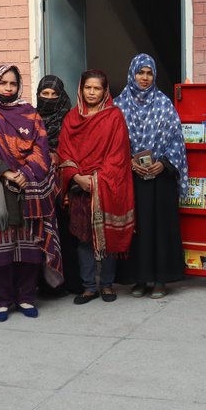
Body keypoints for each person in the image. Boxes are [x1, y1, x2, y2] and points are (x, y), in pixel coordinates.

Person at [0, 64, 63, 321]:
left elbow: (41, 147)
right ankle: (2, 300)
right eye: (2, 83)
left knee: (28, 248)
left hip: (29, 189)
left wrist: (26, 174)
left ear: (18, 85)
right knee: (0, 250)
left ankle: (27, 297)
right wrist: (6, 172)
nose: (8, 88)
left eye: (13, 83)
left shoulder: (30, 114)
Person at [57, 70, 135, 304]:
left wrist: (97, 179)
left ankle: (107, 285)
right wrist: (77, 177)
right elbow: (64, 151)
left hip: (106, 186)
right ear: (81, 89)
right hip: (79, 187)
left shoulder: (114, 117)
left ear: (105, 91)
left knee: (107, 237)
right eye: (87, 88)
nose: (91, 92)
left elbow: (118, 154)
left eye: (97, 88)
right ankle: (89, 286)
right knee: (84, 239)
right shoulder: (71, 118)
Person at [115, 53, 187, 299]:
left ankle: (160, 280)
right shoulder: (119, 105)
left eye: (149, 73)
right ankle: (139, 278)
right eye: (140, 72)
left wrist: (164, 163)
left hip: (160, 178)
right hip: (132, 178)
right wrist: (130, 161)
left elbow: (177, 140)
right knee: (138, 228)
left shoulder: (164, 104)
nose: (144, 78)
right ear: (132, 74)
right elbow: (113, 143)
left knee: (160, 228)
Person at [35, 74, 81, 296]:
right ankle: (44, 286)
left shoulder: (71, 120)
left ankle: (70, 282)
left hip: (65, 185)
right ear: (38, 94)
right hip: (39, 185)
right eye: (45, 94)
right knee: (42, 235)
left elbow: (76, 148)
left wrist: (59, 158)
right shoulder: (31, 118)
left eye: (55, 94)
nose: (50, 98)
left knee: (66, 233)